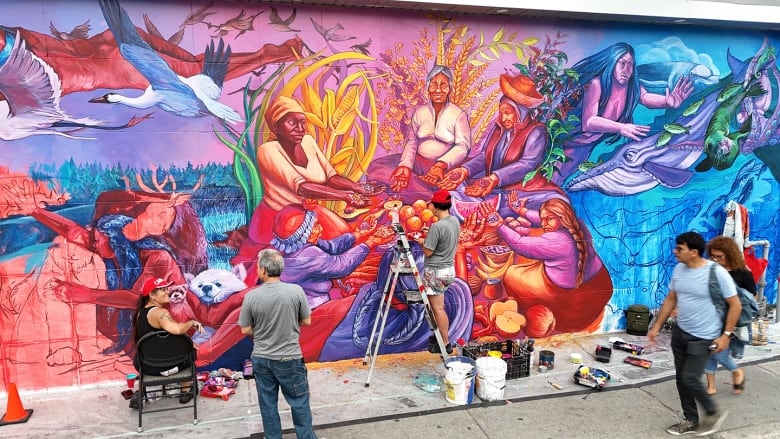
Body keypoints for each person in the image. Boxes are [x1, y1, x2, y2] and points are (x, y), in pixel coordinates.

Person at [232, 95, 370, 282]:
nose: (300, 128)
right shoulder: (268, 150)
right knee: (311, 257)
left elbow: (331, 176)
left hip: (308, 212)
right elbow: (301, 187)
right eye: (292, 122)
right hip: (282, 219)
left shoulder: (309, 142)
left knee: (343, 236)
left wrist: (360, 188)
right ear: (276, 127)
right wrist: (345, 196)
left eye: (303, 122)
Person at [555, 42, 694, 183]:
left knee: (557, 181)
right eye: (622, 63)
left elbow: (645, 98)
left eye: (630, 65)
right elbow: (589, 122)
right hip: (565, 139)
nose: (626, 70)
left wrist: (667, 102)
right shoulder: (596, 84)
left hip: (584, 146)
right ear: (612, 63)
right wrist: (621, 127)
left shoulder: (632, 87)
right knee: (550, 177)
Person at [647, 231, 738, 436]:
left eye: (680, 249)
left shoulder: (716, 273)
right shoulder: (679, 269)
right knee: (682, 379)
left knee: (690, 378)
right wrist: (656, 327)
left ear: (694, 252)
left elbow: (735, 305)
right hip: (680, 334)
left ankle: (713, 412)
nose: (675, 251)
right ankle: (690, 420)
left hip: (704, 337)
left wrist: (726, 335)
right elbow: (672, 298)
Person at [479, 194, 612, 333]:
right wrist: (522, 211)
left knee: (512, 274)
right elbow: (546, 217)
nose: (544, 223)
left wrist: (499, 225)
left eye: (549, 219)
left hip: (571, 303)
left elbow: (519, 243)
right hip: (599, 288)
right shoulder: (576, 224)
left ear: (562, 218)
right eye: (543, 219)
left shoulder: (556, 242)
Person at [239, 249, 318, 439]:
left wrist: (262, 331)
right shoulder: (295, 291)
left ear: (264, 270)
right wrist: (288, 323)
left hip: (262, 358)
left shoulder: (252, 296)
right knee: (299, 402)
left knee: (268, 404)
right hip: (290, 358)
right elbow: (306, 321)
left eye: (258, 267)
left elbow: (245, 329)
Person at [368, 65, 472, 198]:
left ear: (450, 88)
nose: (438, 89)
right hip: (418, 163)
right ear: (428, 87)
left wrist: (441, 165)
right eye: (434, 84)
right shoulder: (419, 112)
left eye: (443, 85)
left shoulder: (459, 114)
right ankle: (424, 190)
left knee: (451, 183)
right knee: (377, 168)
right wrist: (405, 166)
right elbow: (412, 142)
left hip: (446, 168)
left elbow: (463, 146)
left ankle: (421, 193)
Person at [440, 73, 547, 197]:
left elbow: (526, 164)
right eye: (501, 112)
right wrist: (465, 170)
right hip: (493, 187)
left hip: (521, 191)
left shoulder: (536, 131)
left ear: (520, 113)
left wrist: (495, 178)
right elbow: (486, 155)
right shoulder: (499, 128)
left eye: (508, 113)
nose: (503, 118)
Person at [131, 277, 205, 407]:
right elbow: (176, 330)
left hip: (148, 368)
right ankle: (185, 391)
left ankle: (143, 391)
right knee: (190, 352)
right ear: (152, 296)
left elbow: (165, 337)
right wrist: (191, 322)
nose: (167, 292)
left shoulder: (140, 313)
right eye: (162, 290)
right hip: (170, 367)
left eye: (166, 289)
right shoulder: (160, 313)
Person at [704, 236, 754, 395]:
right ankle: (711, 385)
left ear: (730, 255)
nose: (715, 260)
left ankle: (736, 371)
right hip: (711, 317)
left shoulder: (742, 273)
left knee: (719, 352)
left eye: (720, 256)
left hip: (731, 320)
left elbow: (751, 296)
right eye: (712, 256)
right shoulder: (710, 271)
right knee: (710, 351)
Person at [413, 189, 460, 354]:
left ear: (435, 206)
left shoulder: (436, 227)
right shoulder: (454, 221)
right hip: (448, 270)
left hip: (435, 272)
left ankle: (445, 342)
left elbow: (428, 252)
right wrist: (430, 237)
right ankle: (440, 336)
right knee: (438, 308)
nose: (429, 207)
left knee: (438, 309)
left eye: (430, 205)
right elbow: (444, 241)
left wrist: (421, 242)